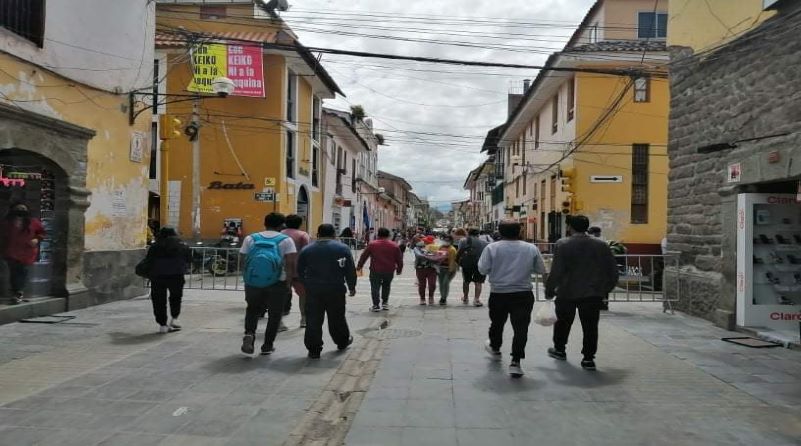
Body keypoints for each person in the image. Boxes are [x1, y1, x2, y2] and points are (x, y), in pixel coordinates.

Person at [545, 215, 619, 371]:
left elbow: (556, 270)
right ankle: (588, 358)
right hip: (592, 292)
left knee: (563, 323)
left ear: (570, 227)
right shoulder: (601, 245)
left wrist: (550, 289)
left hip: (567, 291)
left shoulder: (562, 244)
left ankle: (559, 349)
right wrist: (605, 289)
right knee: (590, 326)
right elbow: (612, 270)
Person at [478, 220, 547, 378]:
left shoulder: (492, 248)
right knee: (521, 328)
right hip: (523, 294)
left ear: (500, 232)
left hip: (499, 293)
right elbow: (540, 269)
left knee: (497, 323)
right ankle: (516, 362)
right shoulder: (530, 248)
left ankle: (495, 348)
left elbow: (482, 269)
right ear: (520, 231)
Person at [239, 213, 297, 356]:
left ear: (265, 223)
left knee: (252, 309)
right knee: (275, 314)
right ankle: (267, 345)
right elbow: (290, 264)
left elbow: (243, 259)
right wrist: (288, 283)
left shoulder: (251, 238)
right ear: (282, 225)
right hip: (277, 282)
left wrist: (247, 278)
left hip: (253, 281)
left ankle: (249, 334)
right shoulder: (286, 240)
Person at [297, 224, 357, 359]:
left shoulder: (307, 250)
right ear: (334, 235)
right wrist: (352, 286)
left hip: (314, 290)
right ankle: (342, 341)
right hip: (336, 289)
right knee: (337, 318)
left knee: (313, 319)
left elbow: (300, 270)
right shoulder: (343, 248)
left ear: (318, 234)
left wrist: (306, 285)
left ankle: (314, 349)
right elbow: (350, 269)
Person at [144, 227, 191, 333]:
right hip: (177, 275)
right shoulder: (181, 245)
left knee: (159, 301)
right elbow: (189, 259)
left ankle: (162, 325)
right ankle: (173, 319)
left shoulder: (155, 246)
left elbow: (149, 261)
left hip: (158, 276)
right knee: (176, 298)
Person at [0, 202, 46, 305]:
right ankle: (16, 292)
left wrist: (36, 239)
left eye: (23, 209)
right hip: (11, 251)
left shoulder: (33, 222)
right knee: (14, 272)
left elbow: (42, 232)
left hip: (26, 252)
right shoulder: (6, 222)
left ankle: (18, 292)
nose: (21, 211)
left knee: (22, 271)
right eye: (18, 209)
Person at [357, 227, 403, 312]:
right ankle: (385, 303)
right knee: (386, 286)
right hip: (389, 270)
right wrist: (399, 269)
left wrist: (359, 266)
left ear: (378, 234)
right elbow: (399, 259)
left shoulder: (372, 244)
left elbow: (364, 256)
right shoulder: (394, 245)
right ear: (388, 235)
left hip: (375, 269)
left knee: (375, 287)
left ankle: (376, 305)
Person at [282, 214, 311, 328]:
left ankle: (278, 321)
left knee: (281, 295)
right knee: (303, 295)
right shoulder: (303, 235)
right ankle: (304, 318)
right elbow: (307, 252)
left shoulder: (280, 234)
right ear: (300, 223)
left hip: (282, 269)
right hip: (299, 270)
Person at [457, 228, 489, 307]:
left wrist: (458, 262)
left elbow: (459, 251)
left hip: (467, 263)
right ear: (478, 234)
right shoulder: (485, 243)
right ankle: (476, 299)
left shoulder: (463, 241)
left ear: (468, 233)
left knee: (466, 281)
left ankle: (465, 298)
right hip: (480, 264)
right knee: (478, 282)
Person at [413, 235, 440, 305]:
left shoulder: (435, 247)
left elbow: (439, 256)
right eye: (425, 241)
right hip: (420, 268)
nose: (424, 242)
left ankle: (431, 297)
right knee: (422, 285)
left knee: (432, 284)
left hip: (432, 268)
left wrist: (437, 256)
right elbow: (418, 255)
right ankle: (422, 299)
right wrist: (429, 255)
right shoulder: (417, 248)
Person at [435, 235, 458, 305]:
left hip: (449, 269)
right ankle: (442, 296)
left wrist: (451, 270)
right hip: (441, 268)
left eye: (448, 240)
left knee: (445, 283)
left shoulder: (452, 249)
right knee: (441, 284)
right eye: (445, 240)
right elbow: (437, 257)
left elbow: (453, 261)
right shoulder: (440, 247)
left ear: (451, 241)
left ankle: (444, 298)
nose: (446, 241)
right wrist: (436, 267)